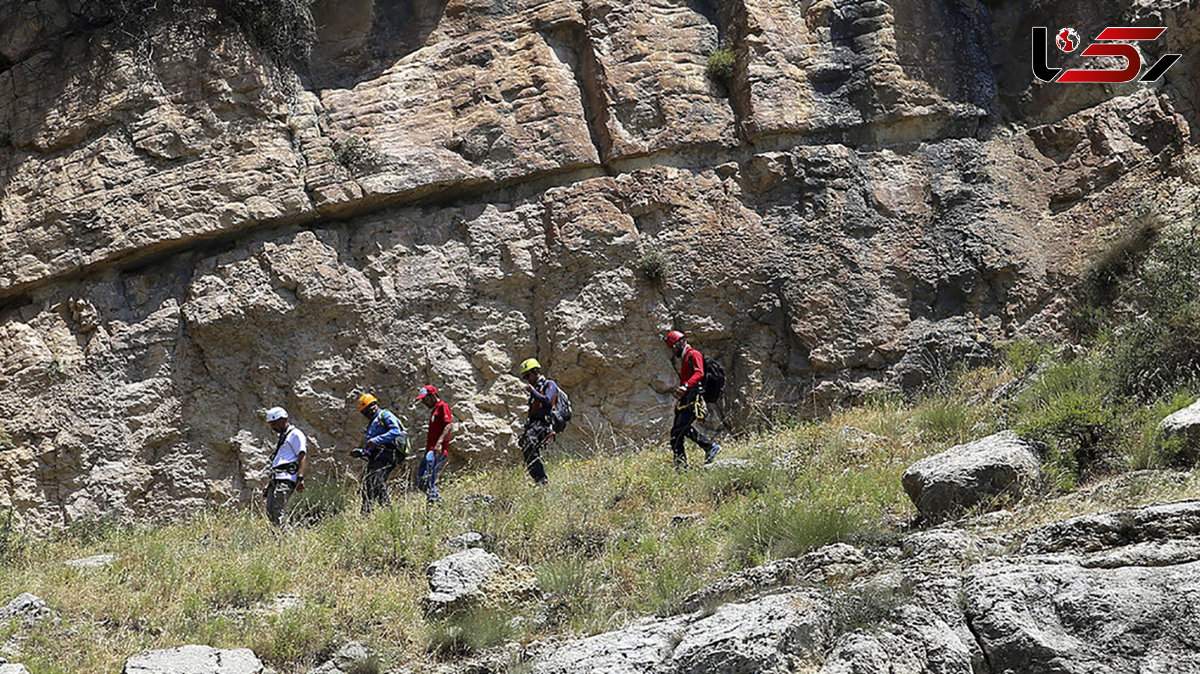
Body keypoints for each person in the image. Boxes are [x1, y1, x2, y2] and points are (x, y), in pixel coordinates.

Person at [663, 330, 721, 469]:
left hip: (693, 399)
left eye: (674, 347)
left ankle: (682, 469)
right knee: (681, 431)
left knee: (676, 435)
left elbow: (699, 373)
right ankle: (708, 447)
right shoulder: (686, 357)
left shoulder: (693, 354)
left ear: (681, 342)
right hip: (687, 399)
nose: (674, 351)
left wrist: (686, 386)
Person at [352, 393, 406, 514]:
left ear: (375, 405)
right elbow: (370, 447)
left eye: (370, 407)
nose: (369, 411)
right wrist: (362, 453)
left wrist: (376, 440)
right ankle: (366, 514)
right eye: (365, 411)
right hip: (377, 456)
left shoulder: (385, 415)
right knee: (368, 486)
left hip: (388, 453)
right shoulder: (372, 424)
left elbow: (395, 431)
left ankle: (388, 513)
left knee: (377, 482)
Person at [264, 406, 307, 526]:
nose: (273, 428)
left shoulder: (295, 434)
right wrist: (269, 486)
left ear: (282, 420)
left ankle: (285, 537)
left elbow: (302, 455)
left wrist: (300, 477)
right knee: (270, 512)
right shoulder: (284, 436)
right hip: (277, 479)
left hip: (286, 479)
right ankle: (278, 537)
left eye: (274, 424)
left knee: (279, 512)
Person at [518, 358, 557, 486]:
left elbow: (547, 400)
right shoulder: (536, 389)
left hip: (544, 424)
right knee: (527, 448)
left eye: (528, 375)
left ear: (536, 371)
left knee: (530, 444)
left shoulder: (549, 384)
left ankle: (542, 480)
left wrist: (532, 392)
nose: (527, 379)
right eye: (524, 377)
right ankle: (538, 481)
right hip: (535, 425)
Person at [415, 384, 452, 504]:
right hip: (429, 450)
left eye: (425, 399)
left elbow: (448, 425)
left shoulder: (443, 406)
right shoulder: (434, 410)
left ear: (433, 396)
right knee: (420, 480)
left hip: (436, 450)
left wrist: (439, 443)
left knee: (429, 478)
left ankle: (433, 503)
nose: (424, 402)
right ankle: (438, 500)